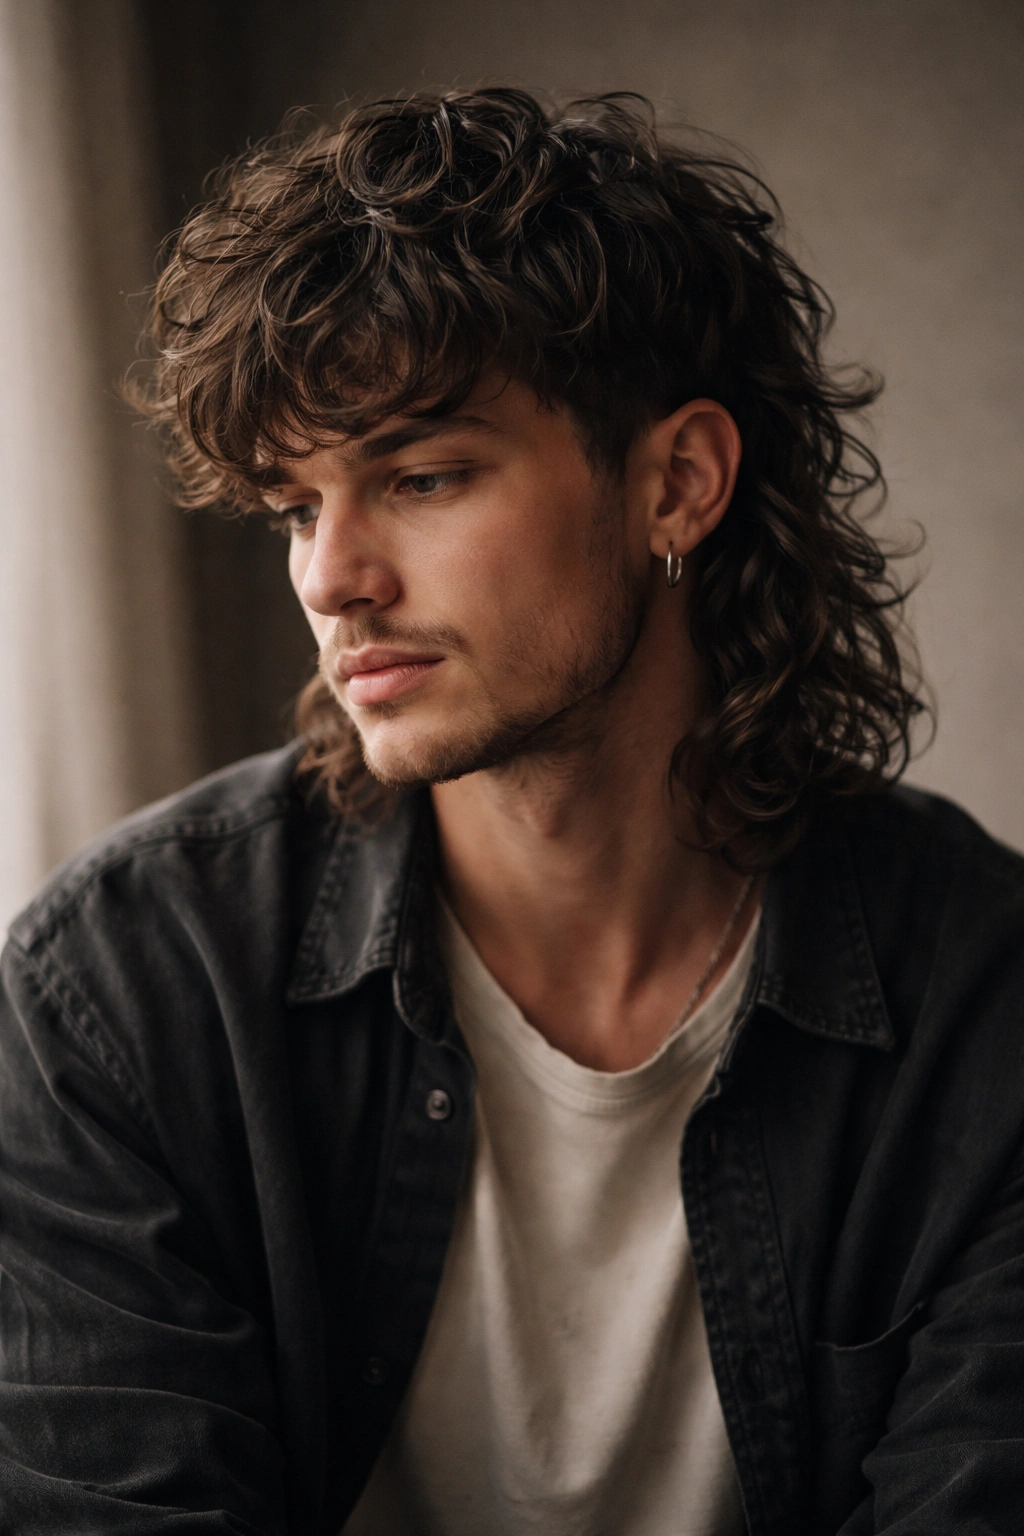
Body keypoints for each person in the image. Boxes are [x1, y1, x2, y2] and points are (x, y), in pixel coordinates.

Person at [0, 87, 1021, 1536]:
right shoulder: (124, 991)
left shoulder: (982, 997)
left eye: (419, 477)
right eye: (298, 505)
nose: (330, 578)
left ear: (676, 482)